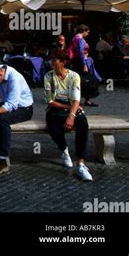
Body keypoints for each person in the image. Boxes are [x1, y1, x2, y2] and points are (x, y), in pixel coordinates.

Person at [44, 49, 93, 181]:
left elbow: (76, 99)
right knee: (52, 122)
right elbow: (49, 101)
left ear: (63, 62)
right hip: (57, 106)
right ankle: (64, 150)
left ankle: (81, 163)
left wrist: (71, 115)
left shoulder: (74, 76)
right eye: (52, 59)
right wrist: (68, 108)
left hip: (72, 105)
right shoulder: (48, 76)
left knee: (82, 122)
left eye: (55, 59)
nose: (52, 61)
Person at [0, 63, 34, 175]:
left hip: (24, 108)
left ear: (1, 74)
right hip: (10, 104)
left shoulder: (14, 77)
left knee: (3, 120)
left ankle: (3, 159)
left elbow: (11, 104)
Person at [69, 25, 98, 107]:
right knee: (89, 81)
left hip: (76, 61)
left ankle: (76, 99)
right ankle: (86, 100)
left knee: (77, 80)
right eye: (87, 32)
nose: (88, 34)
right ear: (83, 31)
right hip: (80, 62)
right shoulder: (80, 39)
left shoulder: (74, 38)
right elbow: (81, 52)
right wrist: (84, 64)